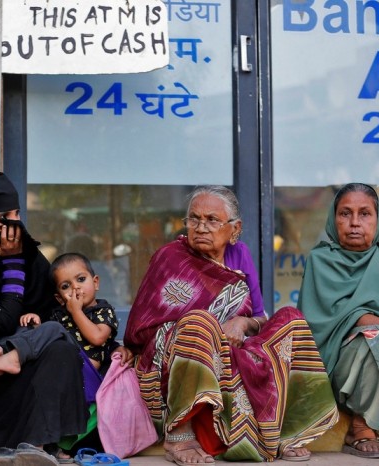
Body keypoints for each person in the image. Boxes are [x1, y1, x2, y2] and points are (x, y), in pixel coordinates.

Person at [124, 185, 338, 465]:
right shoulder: (170, 257)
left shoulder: (240, 255)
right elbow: (140, 330)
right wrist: (210, 330)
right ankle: (180, 435)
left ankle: (287, 432)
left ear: (234, 228)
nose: (201, 227)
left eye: (212, 220)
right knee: (200, 322)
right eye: (194, 219)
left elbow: (260, 316)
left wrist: (242, 322)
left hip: (232, 354)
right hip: (175, 360)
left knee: (291, 319)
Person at [0, 171, 88, 464]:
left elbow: (55, 315)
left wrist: (36, 322)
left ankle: (35, 445)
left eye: (16, 213)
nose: (13, 224)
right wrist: (11, 263)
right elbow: (2, 320)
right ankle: (28, 442)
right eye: (2, 217)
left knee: (62, 345)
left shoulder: (30, 258)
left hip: (30, 363)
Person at [298, 182, 379, 458]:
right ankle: (360, 427)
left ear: (378, 219)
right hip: (339, 367)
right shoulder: (320, 261)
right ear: (333, 218)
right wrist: (374, 322)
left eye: (365, 214)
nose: (354, 223)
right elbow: (320, 324)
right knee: (376, 339)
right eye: (345, 213)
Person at [0, 252, 119, 377]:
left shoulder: (103, 310)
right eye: (66, 286)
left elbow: (97, 338)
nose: (75, 287)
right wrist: (37, 325)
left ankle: (15, 358)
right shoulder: (59, 313)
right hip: (58, 363)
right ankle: (3, 352)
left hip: (85, 372)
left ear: (95, 283)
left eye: (81, 279)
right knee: (25, 327)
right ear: (59, 298)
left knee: (53, 328)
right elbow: (45, 338)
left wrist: (76, 311)